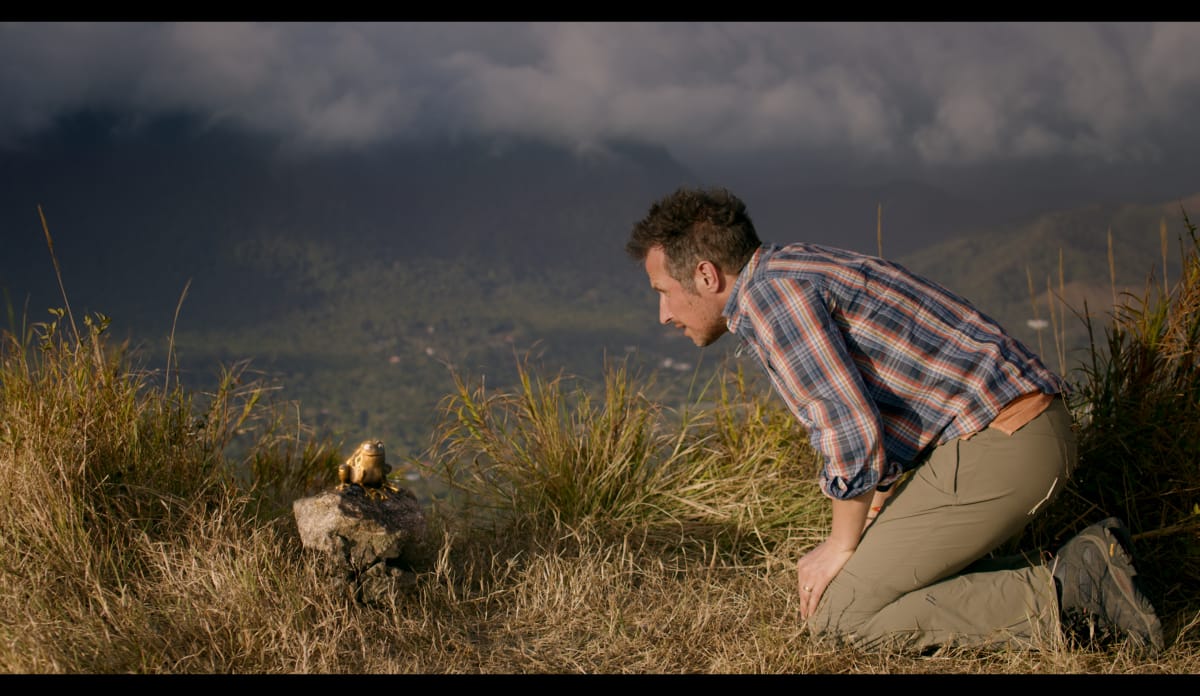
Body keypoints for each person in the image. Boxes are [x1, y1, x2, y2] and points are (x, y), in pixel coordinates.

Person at [625, 185, 1165, 654]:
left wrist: (840, 545)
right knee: (868, 580)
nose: (664, 314)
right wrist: (876, 507)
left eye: (663, 293)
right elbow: (883, 411)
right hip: (1015, 433)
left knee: (842, 615)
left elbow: (848, 425)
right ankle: (1088, 561)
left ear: (705, 274)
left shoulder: (771, 298)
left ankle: (1074, 594)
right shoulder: (792, 269)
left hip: (1001, 443)